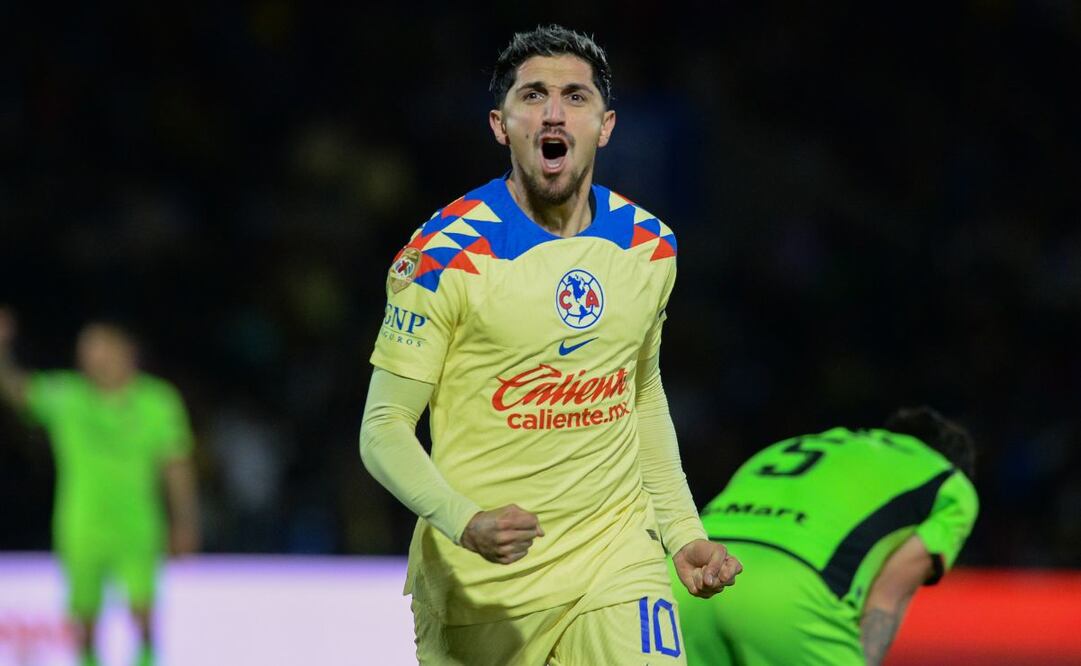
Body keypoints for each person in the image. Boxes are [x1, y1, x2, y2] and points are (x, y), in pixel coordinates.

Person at [359, 24, 741, 665]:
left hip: (615, 560)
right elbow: (384, 427)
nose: (554, 113)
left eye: (575, 97)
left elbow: (640, 395)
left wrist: (682, 533)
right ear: (500, 125)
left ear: (606, 125)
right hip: (485, 590)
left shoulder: (649, 246)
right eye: (533, 96)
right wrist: (463, 520)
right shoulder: (444, 255)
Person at [671, 406, 979, 666]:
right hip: (793, 594)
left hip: (686, 581)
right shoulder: (950, 482)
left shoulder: (793, 446)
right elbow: (888, 595)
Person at [0, 308, 199, 666]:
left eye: (98, 347)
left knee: (143, 614)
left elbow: (176, 466)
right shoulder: (69, 396)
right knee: (84, 620)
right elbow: (17, 390)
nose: (89, 357)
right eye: (85, 349)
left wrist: (185, 522)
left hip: (137, 526)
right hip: (82, 526)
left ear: (125, 350)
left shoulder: (157, 401)